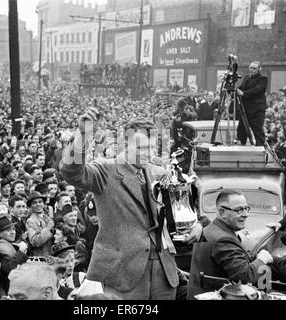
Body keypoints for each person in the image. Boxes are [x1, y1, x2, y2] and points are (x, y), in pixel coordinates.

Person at [60, 108, 203, 300]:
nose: (149, 153)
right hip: (122, 275)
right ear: (124, 145)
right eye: (142, 148)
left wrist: (198, 226)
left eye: (152, 147)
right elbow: (72, 172)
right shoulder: (106, 171)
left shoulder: (160, 173)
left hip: (164, 273)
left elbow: (188, 209)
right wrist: (83, 135)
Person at [187, 190, 274, 299]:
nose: (246, 215)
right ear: (222, 212)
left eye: (246, 208)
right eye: (239, 210)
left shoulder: (213, 229)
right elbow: (245, 276)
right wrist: (262, 259)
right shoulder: (223, 239)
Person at [0, 217, 28, 293]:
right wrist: (21, 251)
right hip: (9, 289)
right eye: (8, 230)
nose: (12, 232)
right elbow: (9, 268)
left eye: (13, 229)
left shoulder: (11, 244)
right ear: (0, 234)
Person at [236, 61, 268, 146]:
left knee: (257, 130)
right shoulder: (247, 78)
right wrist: (234, 90)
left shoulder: (263, 79)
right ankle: (241, 146)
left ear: (259, 69)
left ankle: (260, 148)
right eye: (251, 68)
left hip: (257, 110)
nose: (252, 70)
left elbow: (257, 90)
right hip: (246, 109)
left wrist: (244, 93)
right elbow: (241, 88)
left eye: (254, 68)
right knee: (241, 129)